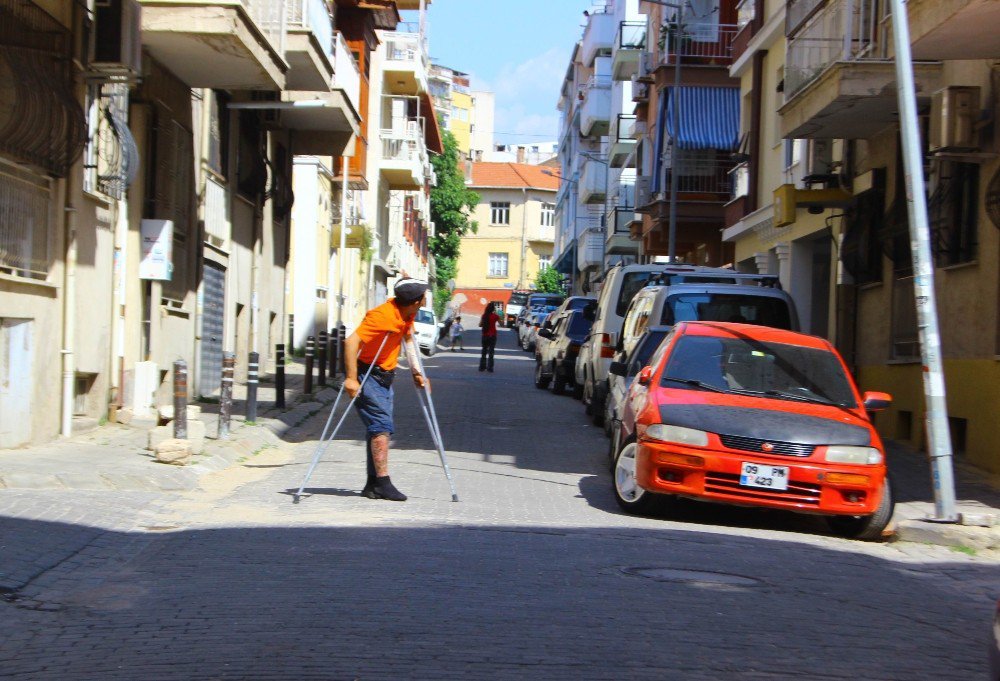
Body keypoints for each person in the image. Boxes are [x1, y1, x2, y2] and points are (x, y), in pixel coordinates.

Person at [343, 278, 430, 501]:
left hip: (385, 378)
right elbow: (351, 342)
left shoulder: (406, 314)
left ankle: (372, 485)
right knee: (381, 425)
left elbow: (408, 341)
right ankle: (383, 482)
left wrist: (417, 372)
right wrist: (351, 379)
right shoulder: (382, 315)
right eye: (424, 295)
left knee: (378, 428)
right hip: (367, 375)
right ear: (417, 300)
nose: (426, 298)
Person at [479, 302, 500, 372]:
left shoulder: (484, 315)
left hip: (485, 335)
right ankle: (490, 368)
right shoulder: (495, 316)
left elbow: (480, 325)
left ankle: (482, 367)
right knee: (491, 352)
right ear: (493, 309)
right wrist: (496, 312)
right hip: (493, 335)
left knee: (484, 351)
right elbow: (501, 323)